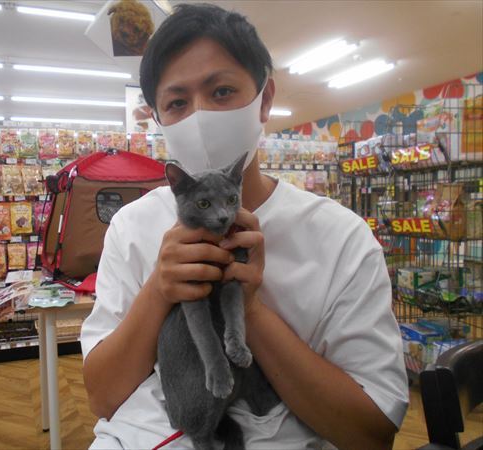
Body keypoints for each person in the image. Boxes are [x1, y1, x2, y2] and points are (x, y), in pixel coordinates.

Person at [81, 3, 409, 449]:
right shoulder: (131, 227)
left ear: (265, 99)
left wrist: (249, 308)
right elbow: (102, 397)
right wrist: (159, 288)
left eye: (221, 92)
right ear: (156, 118)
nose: (199, 116)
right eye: (176, 103)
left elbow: (371, 434)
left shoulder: (342, 239)